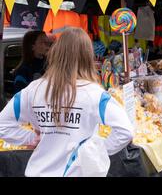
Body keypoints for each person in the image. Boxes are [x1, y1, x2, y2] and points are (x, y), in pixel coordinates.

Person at [0, 28, 133, 177]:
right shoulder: (95, 94)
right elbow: (125, 131)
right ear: (87, 56)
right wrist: (95, 150)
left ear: (56, 52)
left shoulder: (33, 90)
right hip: (76, 171)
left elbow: (2, 125)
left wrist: (31, 138)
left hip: (38, 171)